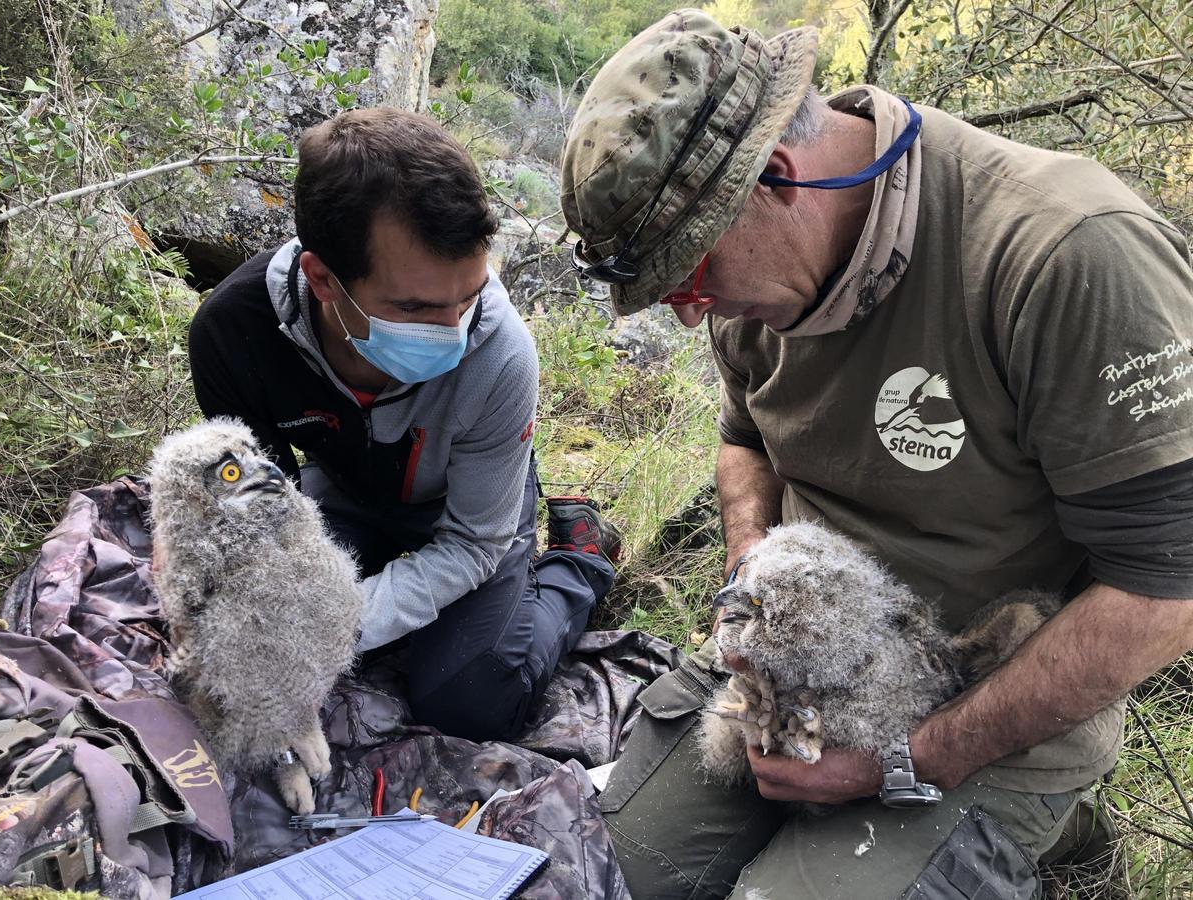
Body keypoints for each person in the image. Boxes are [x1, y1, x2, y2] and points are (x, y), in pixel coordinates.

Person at [559, 9, 1193, 898]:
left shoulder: (1063, 256)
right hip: (801, 657)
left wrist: (900, 761)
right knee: (602, 877)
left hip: (980, 692)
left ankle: (1056, 831)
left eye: (691, 275)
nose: (692, 313)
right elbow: (746, 439)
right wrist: (753, 580)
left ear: (775, 177)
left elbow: (1165, 590)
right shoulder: (757, 288)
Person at [188, 107, 619, 743]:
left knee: (470, 701)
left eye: (468, 296)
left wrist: (341, 621)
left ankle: (578, 561)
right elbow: (267, 517)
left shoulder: (500, 355)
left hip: (469, 506)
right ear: (324, 280)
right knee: (254, 644)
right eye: (413, 306)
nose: (452, 333)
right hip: (345, 493)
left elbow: (474, 542)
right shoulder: (233, 334)